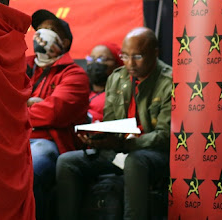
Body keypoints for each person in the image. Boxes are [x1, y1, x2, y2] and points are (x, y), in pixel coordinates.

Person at [55, 27, 172, 220]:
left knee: (136, 161)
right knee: (67, 162)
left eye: (138, 56)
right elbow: (110, 123)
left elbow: (164, 135)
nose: (130, 63)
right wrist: (99, 137)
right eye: (125, 56)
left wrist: (126, 145)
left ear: (155, 53)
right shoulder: (117, 78)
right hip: (119, 149)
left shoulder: (169, 81)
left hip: (153, 153)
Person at [26, 9, 89, 220]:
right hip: (13, 140)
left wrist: (18, 109)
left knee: (31, 171)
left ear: (65, 42)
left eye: (51, 30)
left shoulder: (74, 75)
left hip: (49, 144)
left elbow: (53, 112)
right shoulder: (20, 66)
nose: (43, 34)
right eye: (40, 29)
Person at [85, 42, 122, 122]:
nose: (95, 63)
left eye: (101, 59)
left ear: (116, 64)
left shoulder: (120, 93)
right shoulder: (81, 88)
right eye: (91, 59)